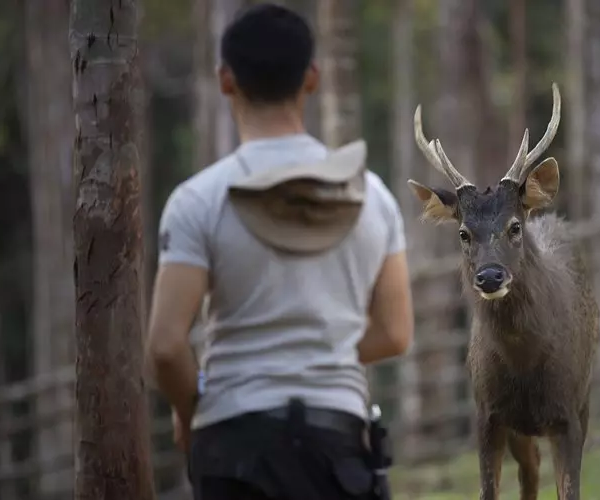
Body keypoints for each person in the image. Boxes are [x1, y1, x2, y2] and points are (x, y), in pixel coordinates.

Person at [144, 4, 414, 500]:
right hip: (338, 451)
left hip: (234, 449)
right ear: (312, 78)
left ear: (226, 80)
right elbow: (396, 333)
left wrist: (190, 410)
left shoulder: (198, 200)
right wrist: (319, 352)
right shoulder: (372, 197)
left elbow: (164, 346)